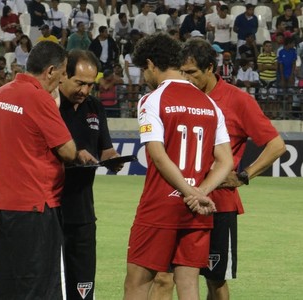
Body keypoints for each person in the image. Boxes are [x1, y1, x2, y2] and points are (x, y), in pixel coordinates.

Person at [151, 38, 286, 300]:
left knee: (215, 280)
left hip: (218, 205)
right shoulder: (176, 98)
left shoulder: (238, 100)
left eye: (192, 73)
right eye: (183, 72)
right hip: (176, 201)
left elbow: (276, 145)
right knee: (162, 277)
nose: (186, 79)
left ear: (211, 68)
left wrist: (244, 175)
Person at [123, 32, 234, 300]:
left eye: (143, 70)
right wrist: (200, 193)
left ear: (150, 64)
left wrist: (187, 191)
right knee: (188, 286)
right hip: (197, 210)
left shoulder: (153, 99)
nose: (144, 77)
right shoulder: (210, 104)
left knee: (137, 283)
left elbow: (158, 155)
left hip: (161, 205)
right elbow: (226, 161)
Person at [0, 41, 77, 299]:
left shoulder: (2, 93)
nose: (64, 78)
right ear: (50, 71)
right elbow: (68, 151)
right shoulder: (38, 98)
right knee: (40, 286)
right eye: (63, 72)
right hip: (36, 206)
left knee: (4, 283)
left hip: (1, 206)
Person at [59, 49, 123, 300]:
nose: (85, 91)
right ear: (64, 74)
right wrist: (74, 155)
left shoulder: (95, 107)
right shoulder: (48, 104)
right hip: (49, 209)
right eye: (79, 83)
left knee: (83, 287)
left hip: (83, 211)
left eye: (90, 84)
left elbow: (105, 150)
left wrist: (113, 159)